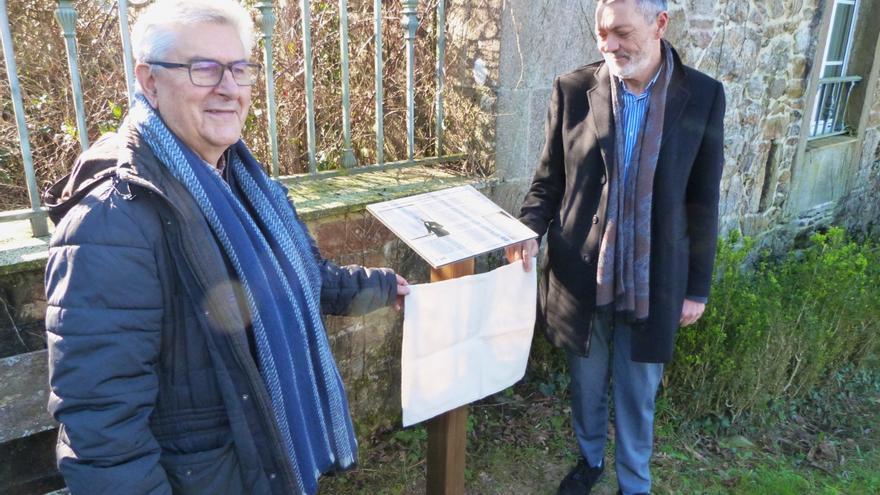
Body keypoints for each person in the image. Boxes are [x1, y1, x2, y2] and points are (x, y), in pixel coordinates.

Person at [43, 1, 409, 494]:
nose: (229, 88)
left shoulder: (243, 183)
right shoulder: (113, 218)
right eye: (203, 68)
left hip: (263, 464)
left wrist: (378, 286)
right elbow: (103, 425)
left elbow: (297, 276)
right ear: (150, 81)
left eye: (239, 69)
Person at [505, 1, 725, 494]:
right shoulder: (573, 90)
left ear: (660, 24)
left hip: (655, 279)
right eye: (602, 33)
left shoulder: (703, 96)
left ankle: (634, 482)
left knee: (638, 391)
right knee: (585, 384)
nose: (610, 45)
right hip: (581, 274)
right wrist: (528, 228)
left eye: (622, 33)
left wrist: (697, 288)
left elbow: (703, 201)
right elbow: (548, 182)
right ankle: (589, 461)